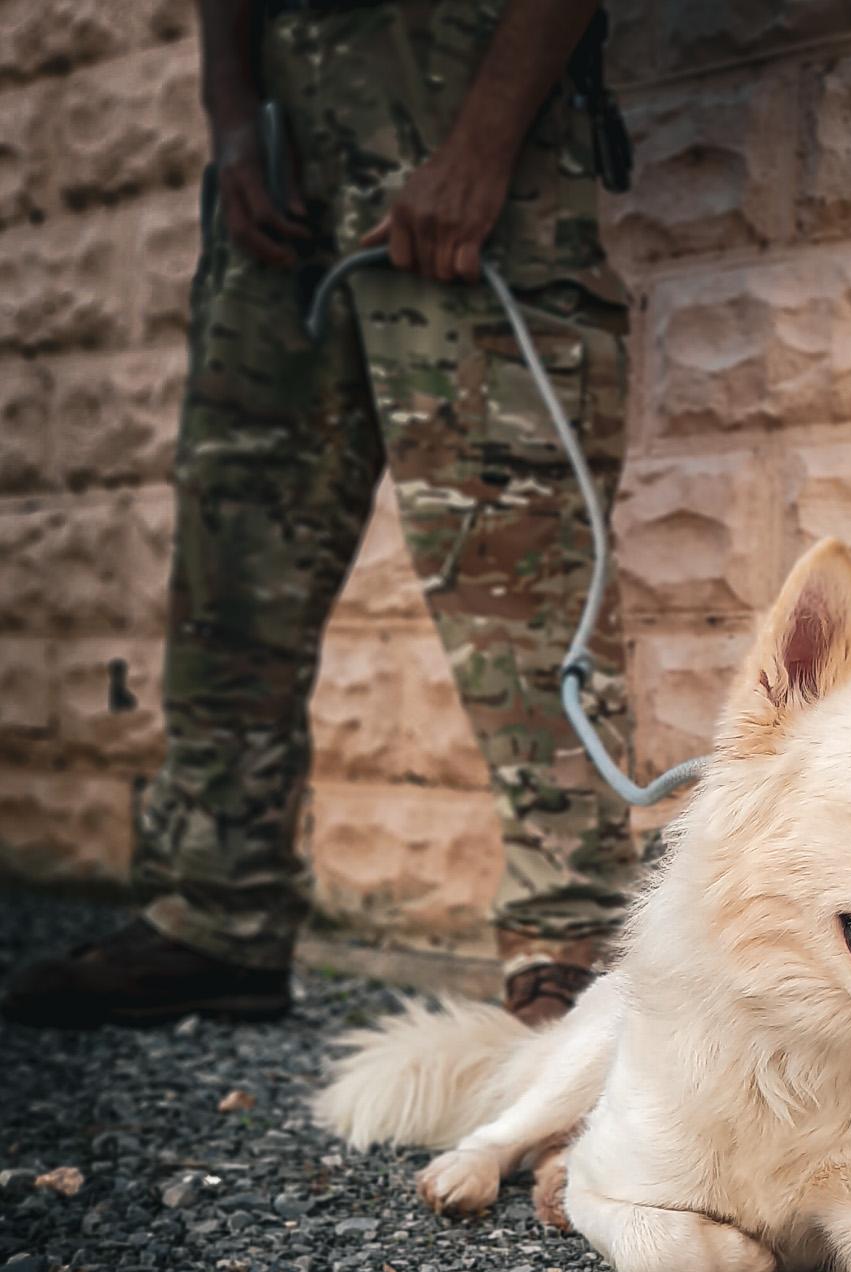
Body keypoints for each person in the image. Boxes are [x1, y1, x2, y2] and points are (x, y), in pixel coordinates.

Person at [4, 0, 635, 1031]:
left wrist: (482, 143)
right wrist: (231, 116)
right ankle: (216, 913)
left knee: (518, 568)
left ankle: (572, 951)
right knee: (231, 553)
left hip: (467, 122)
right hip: (280, 158)